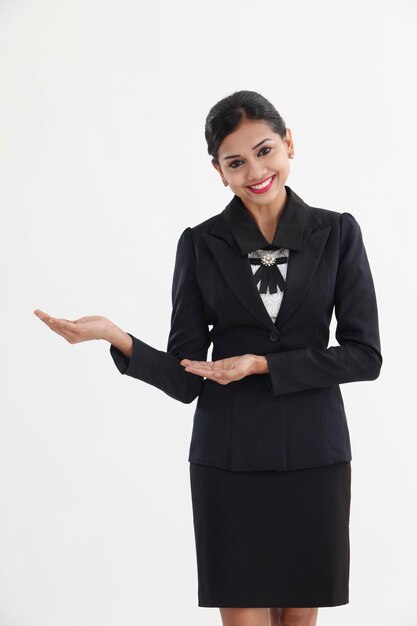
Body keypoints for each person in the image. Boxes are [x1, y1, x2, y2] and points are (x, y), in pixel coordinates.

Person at [34, 90, 382, 626]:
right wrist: (116, 338)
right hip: (229, 459)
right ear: (219, 171)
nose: (256, 171)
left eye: (265, 151)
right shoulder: (200, 244)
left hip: (315, 455)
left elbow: (365, 356)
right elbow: (186, 378)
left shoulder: (337, 233)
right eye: (236, 162)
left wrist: (263, 365)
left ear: (289, 144)